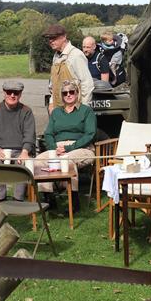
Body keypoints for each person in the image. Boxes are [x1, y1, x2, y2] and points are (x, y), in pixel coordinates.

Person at [36, 80, 96, 209]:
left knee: (67, 160)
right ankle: (49, 198)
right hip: (57, 147)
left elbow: (90, 134)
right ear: (62, 96)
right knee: (38, 161)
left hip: (81, 147)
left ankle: (73, 200)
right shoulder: (57, 112)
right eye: (65, 93)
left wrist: (69, 148)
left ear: (77, 93)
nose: (68, 95)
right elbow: (48, 134)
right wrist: (54, 148)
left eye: (71, 92)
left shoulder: (86, 111)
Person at [0, 80, 35, 202]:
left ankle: (18, 200)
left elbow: (29, 135)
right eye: (9, 92)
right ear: (4, 93)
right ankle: (0, 199)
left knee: (23, 163)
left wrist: (25, 151)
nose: (12, 95)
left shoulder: (26, 111)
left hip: (20, 150)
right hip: (0, 150)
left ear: (20, 94)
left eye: (16, 93)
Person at [44, 23, 94, 113]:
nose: (51, 41)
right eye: (49, 39)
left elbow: (87, 84)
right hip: (58, 109)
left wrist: (83, 110)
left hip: (74, 110)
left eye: (54, 38)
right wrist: (51, 103)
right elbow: (53, 85)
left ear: (64, 37)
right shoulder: (56, 56)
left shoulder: (76, 55)